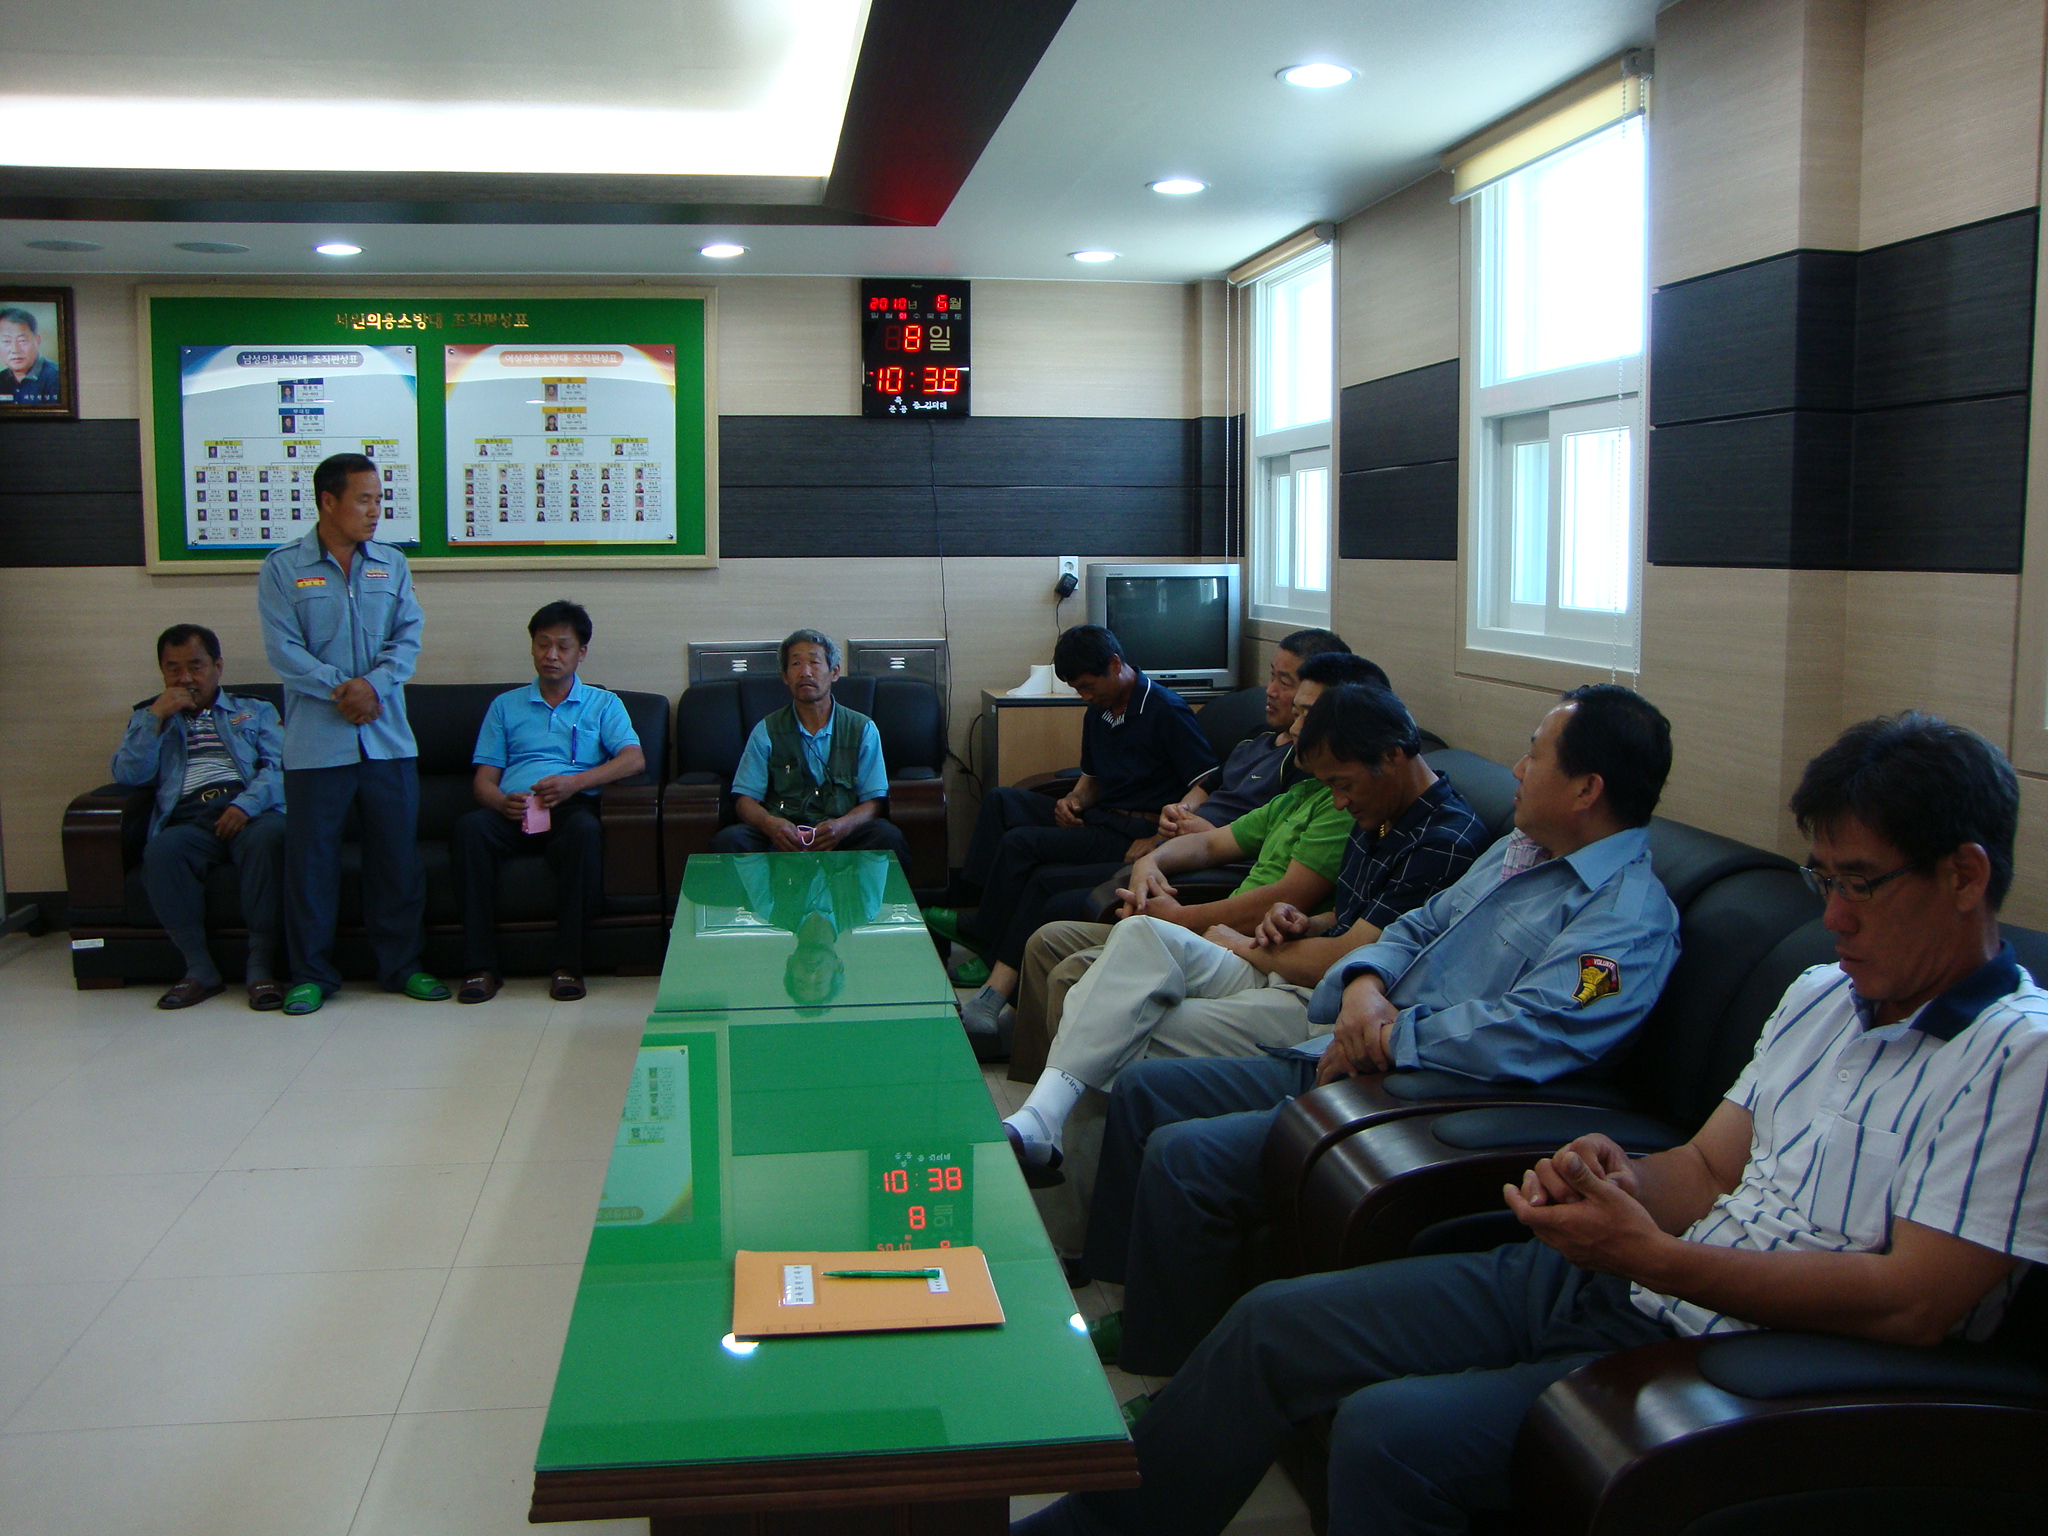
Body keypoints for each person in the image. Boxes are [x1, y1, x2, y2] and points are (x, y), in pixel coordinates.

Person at [1018, 713, 2048, 1536]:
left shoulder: (2018, 1056)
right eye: (1822, 882)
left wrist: (1655, 1254)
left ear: (1963, 876)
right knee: (1272, 1326)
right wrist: (1613, 1176)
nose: (1832, 918)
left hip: (1725, 1341)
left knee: (1385, 1433)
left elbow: (1914, 1303)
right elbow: (1700, 1169)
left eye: (1859, 884)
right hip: (1614, 1271)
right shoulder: (1822, 995)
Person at [1082, 684, 1680, 1377]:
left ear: (1586, 788)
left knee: (1185, 1154)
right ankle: (1132, 1293)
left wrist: (1390, 1037)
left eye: (1535, 755)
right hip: (1353, 1041)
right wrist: (1364, 988)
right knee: (1146, 1091)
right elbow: (1417, 926)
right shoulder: (1520, 851)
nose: (1518, 769)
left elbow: (1541, 1029)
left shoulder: (1625, 923)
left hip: (1419, 1090)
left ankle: (1165, 1360)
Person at [1001, 683, 1488, 1181]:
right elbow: (1351, 919)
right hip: (1287, 966)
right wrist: (1302, 921)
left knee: (1125, 1025)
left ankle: (1078, 1198)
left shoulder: (1443, 840)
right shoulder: (1382, 809)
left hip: (1326, 1009)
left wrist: (1244, 945)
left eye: (1343, 785)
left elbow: (1356, 957)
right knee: (1142, 933)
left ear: (1392, 756)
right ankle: (1042, 1119)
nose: (1339, 803)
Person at [952, 636, 1362, 1046]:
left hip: (1183, 866)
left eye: (1286, 685)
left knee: (1048, 894)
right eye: (1272, 678)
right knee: (1006, 808)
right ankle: (989, 943)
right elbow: (1210, 796)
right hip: (1164, 841)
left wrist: (1167, 855)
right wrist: (1159, 827)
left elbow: (1274, 878)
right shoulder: (1265, 753)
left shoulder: (1313, 784)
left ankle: (1012, 1006)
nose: (1270, 692)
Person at [257, 450, 447, 1015]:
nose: (374, 511)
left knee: (396, 861)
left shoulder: (392, 563)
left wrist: (373, 685)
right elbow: (283, 650)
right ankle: (310, 974)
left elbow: (409, 636)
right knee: (311, 864)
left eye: (379, 499)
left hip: (387, 741)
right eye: (363, 500)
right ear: (328, 501)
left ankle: (402, 966)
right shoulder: (282, 567)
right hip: (317, 745)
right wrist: (342, 688)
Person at [926, 623, 1217, 990]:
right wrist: (1073, 800)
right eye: (1078, 689)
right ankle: (985, 917)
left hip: (1134, 832)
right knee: (1001, 800)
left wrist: (1162, 841)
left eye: (1088, 686)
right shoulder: (1099, 711)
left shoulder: (1166, 710)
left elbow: (1207, 782)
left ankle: (988, 942)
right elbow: (1091, 779)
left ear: (1115, 665)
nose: (1084, 696)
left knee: (1020, 844)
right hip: (1101, 815)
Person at [453, 600, 645, 1004]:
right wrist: (501, 802)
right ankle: (480, 968)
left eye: (562, 646)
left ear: (581, 653)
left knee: (585, 832)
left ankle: (567, 966)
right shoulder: (505, 706)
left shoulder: (602, 704)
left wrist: (575, 784)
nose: (551, 655)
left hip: (571, 809)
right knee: (469, 829)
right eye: (543, 645)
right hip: (514, 809)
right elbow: (483, 781)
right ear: (532, 648)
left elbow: (633, 759)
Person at [109, 623, 286, 1010]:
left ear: (217, 667)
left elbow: (281, 767)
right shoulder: (150, 717)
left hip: (249, 809)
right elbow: (128, 775)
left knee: (270, 838)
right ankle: (200, 969)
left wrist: (246, 805)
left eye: (196, 666)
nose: (185, 678)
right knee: (161, 851)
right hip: (188, 818)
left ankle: (260, 966)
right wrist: (155, 718)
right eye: (173, 669)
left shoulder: (255, 709)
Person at [712, 630, 910, 861]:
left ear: (834, 672)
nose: (805, 672)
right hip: (782, 837)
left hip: (841, 835)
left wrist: (843, 826)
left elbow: (874, 801)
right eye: (796, 664)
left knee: (887, 837)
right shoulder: (766, 730)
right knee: (729, 841)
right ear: (785, 676)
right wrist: (771, 825)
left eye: (814, 662)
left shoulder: (862, 728)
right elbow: (745, 801)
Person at [0, 306, 60, 406]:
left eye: (22, 340)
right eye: (6, 341)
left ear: (37, 340)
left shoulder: (57, 377)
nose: (15, 350)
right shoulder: (2, 379)